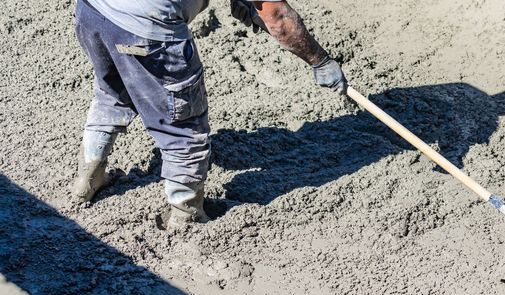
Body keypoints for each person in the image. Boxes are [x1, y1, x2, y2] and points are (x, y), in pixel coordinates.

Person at [72, 0, 347, 228]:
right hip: (146, 29)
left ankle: (89, 175)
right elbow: (276, 15)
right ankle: (185, 214)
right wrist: (319, 60)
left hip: (93, 13)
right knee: (182, 123)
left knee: (113, 91)